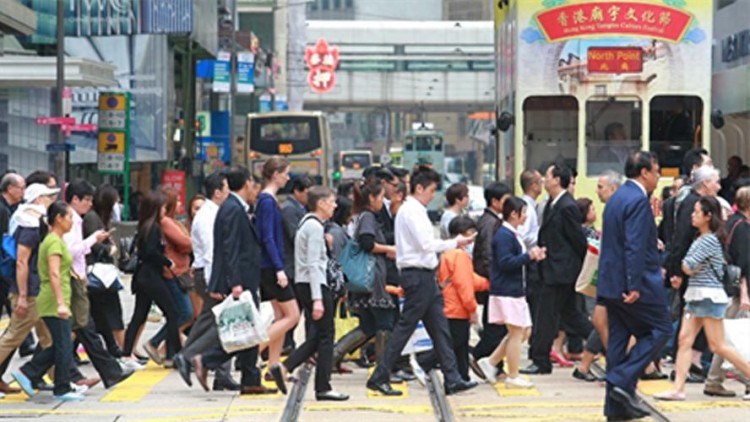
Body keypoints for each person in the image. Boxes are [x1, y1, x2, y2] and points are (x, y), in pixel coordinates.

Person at [366, 166, 477, 396]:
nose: (433, 195)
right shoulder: (412, 211)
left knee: (440, 329)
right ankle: (380, 375)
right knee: (405, 329)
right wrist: (455, 242)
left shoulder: (415, 210)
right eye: (431, 190)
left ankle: (452, 377)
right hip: (417, 276)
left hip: (425, 276)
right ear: (418, 188)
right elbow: (426, 245)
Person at [182, 166, 275, 395]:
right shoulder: (233, 209)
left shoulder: (233, 207)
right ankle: (206, 360)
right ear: (246, 184)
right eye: (253, 184)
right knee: (245, 330)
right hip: (241, 281)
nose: (255, 189)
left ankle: (250, 380)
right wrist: (234, 283)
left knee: (249, 329)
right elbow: (230, 248)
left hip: (244, 279)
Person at [598, 151, 672, 420]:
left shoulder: (617, 197)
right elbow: (634, 246)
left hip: (611, 283)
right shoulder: (639, 201)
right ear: (644, 173)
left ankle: (615, 408)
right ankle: (621, 378)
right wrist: (634, 284)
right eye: (656, 170)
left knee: (618, 340)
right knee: (661, 327)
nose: (658, 176)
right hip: (634, 285)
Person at [655, 196, 750, 401]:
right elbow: (687, 265)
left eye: (696, 212)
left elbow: (687, 265)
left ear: (708, 216)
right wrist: (687, 267)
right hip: (697, 296)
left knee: (717, 346)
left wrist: (687, 267)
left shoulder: (708, 240)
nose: (692, 215)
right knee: (684, 341)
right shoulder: (702, 237)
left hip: (707, 296)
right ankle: (678, 388)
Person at [270, 186, 349, 401]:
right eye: (332, 201)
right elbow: (314, 265)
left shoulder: (307, 223)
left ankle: (285, 367)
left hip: (307, 284)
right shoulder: (314, 227)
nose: (335, 205)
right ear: (321, 203)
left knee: (318, 335)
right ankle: (323, 387)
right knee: (326, 336)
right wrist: (317, 300)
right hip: (315, 285)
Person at [523, 163, 591, 375]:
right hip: (554, 270)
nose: (544, 180)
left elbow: (578, 240)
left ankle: (540, 360)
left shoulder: (567, 206)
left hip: (561, 272)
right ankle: (604, 341)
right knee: (570, 315)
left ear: (557, 180)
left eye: (548, 176)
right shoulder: (554, 203)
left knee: (546, 315)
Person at [11, 202, 82, 401]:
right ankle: (60, 387)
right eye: (69, 217)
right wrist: (60, 302)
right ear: (58, 219)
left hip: (56, 298)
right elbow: (53, 273)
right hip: (52, 300)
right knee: (63, 344)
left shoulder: (54, 241)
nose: (71, 222)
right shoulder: (53, 242)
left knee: (62, 342)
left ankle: (30, 372)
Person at [331, 178, 397, 376]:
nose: (383, 202)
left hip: (366, 279)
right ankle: (382, 371)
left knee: (369, 325)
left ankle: (334, 355)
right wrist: (389, 249)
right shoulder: (368, 216)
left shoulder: (360, 215)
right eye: (381, 197)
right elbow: (367, 243)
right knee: (384, 323)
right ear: (371, 197)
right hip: (373, 278)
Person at [478, 197, 546, 388]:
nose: (525, 217)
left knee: (524, 331)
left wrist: (532, 257)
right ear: (514, 214)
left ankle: (491, 362)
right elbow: (506, 263)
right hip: (507, 291)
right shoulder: (504, 236)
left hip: (514, 290)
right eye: (523, 213)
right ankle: (513, 375)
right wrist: (528, 256)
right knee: (517, 332)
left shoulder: (511, 234)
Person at [181, 172, 237, 391]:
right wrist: (217, 283)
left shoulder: (214, 212)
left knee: (207, 320)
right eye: (226, 188)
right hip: (210, 275)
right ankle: (188, 357)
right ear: (217, 192)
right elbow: (213, 252)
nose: (229, 193)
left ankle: (219, 372)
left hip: (210, 275)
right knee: (223, 323)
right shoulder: (207, 216)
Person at [0, 183, 59, 392]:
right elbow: (21, 262)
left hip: (37, 289)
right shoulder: (29, 223)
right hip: (30, 291)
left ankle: (61, 381)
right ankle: (61, 381)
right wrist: (23, 296)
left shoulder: (34, 221)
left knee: (49, 337)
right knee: (13, 336)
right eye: (47, 197)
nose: (51, 201)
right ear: (37, 199)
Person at [666, 165, 721, 380]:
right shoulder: (692, 204)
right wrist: (676, 271)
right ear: (706, 183)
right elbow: (680, 239)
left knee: (692, 326)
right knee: (696, 324)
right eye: (715, 181)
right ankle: (691, 363)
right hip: (694, 276)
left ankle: (689, 365)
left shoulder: (700, 203)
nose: (719, 185)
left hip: (696, 275)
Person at [121, 191, 182, 367]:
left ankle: (126, 354)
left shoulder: (145, 226)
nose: (165, 210)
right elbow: (150, 253)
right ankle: (175, 354)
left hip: (143, 277)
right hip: (151, 276)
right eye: (162, 207)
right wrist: (167, 261)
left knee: (139, 315)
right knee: (173, 313)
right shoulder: (153, 228)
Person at [703, 186, 750, 398]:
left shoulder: (731, 222)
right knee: (740, 339)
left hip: (729, 290)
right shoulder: (742, 228)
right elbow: (743, 263)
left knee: (724, 339)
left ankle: (713, 380)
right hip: (740, 292)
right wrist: (745, 293)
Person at [255, 158, 301, 372]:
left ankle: (274, 365)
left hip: (270, 266)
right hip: (271, 268)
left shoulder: (269, 199)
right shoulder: (266, 201)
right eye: (285, 173)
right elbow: (268, 238)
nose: (288, 177)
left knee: (281, 316)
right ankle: (254, 350)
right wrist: (279, 268)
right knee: (293, 315)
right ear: (275, 174)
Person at [431, 216, 488, 382]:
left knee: (460, 346)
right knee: (454, 344)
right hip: (456, 309)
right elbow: (464, 285)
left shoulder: (450, 254)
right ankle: (424, 362)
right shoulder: (459, 255)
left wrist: (489, 284)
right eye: (471, 233)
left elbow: (470, 279)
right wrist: (472, 309)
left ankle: (462, 377)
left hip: (451, 307)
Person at [142, 187, 193, 366]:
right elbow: (185, 243)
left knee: (179, 312)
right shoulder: (166, 222)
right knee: (184, 313)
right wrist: (191, 244)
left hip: (178, 271)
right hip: (173, 272)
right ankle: (155, 342)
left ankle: (170, 353)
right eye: (176, 201)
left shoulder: (172, 221)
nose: (180, 204)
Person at [471, 181, 512, 377]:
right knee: (496, 328)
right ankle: (478, 356)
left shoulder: (491, 220)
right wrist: (495, 278)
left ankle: (493, 364)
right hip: (492, 282)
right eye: (505, 200)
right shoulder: (490, 223)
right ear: (495, 201)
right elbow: (488, 255)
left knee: (496, 326)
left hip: (492, 281)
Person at [84, 184, 125, 357]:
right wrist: (109, 249)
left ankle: (117, 349)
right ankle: (123, 351)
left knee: (98, 316)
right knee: (109, 312)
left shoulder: (100, 218)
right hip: (99, 274)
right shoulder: (92, 218)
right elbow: (94, 244)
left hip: (102, 274)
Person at [280, 175, 314, 354]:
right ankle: (285, 343)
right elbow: (296, 237)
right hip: (292, 267)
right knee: (293, 311)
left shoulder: (300, 208)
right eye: (307, 193)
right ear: (296, 191)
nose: (309, 197)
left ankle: (289, 343)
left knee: (298, 309)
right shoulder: (289, 210)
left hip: (298, 267)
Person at [518, 170, 542, 249]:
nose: (543, 185)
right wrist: (541, 237)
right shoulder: (527, 208)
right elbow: (523, 236)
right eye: (540, 182)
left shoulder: (531, 206)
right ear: (534, 186)